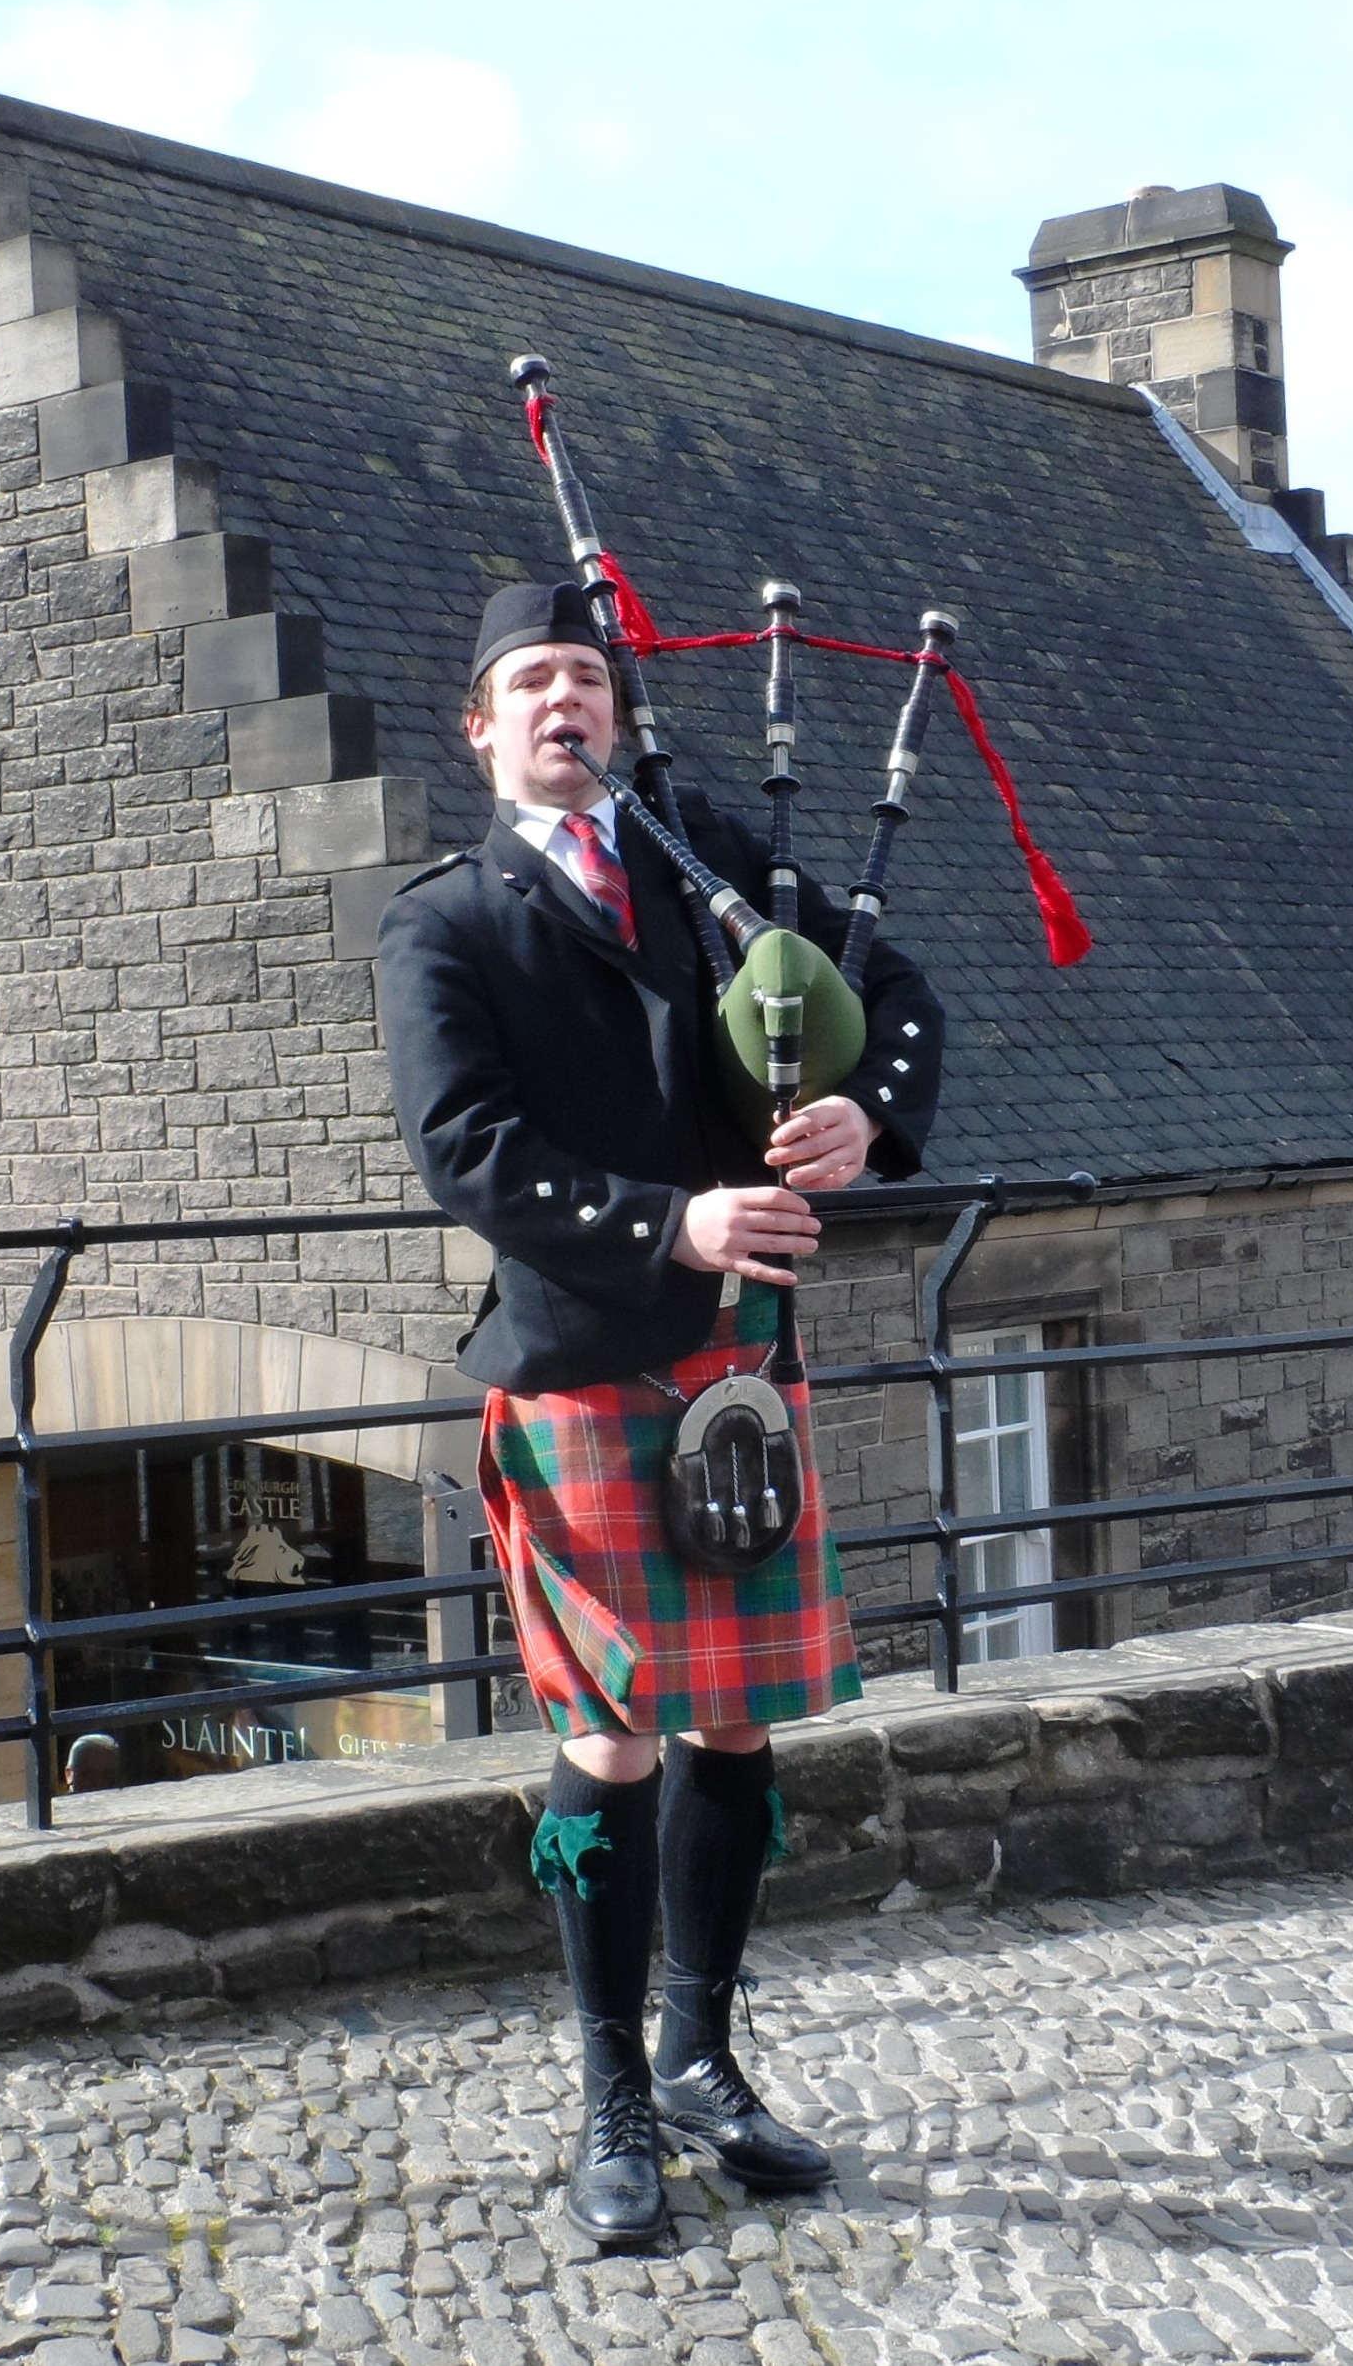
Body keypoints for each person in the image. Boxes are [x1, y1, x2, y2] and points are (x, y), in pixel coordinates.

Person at [377, 578, 945, 2245]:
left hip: (741, 1371)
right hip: (580, 1360)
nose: (567, 702)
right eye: (530, 684)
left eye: (587, 678)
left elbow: (888, 994)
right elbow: (461, 1145)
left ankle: (705, 2062)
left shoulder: (707, 860)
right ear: (479, 729)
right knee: (609, 1735)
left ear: (615, 713)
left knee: (741, 1726)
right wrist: (670, 1218)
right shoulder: (445, 919)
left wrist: (860, 1116)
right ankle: (612, 2093)